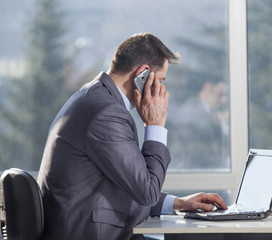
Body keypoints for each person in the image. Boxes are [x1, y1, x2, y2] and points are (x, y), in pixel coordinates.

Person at [37, 33, 227, 240]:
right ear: (142, 75)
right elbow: (146, 192)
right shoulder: (106, 113)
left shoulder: (93, 97)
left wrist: (178, 203)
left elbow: (128, 183)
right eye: (160, 80)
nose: (162, 89)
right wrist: (155, 125)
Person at [168, 78, 230, 169]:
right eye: (220, 94)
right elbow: (195, 152)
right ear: (207, 88)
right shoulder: (190, 112)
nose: (223, 100)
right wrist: (223, 126)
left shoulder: (213, 112)